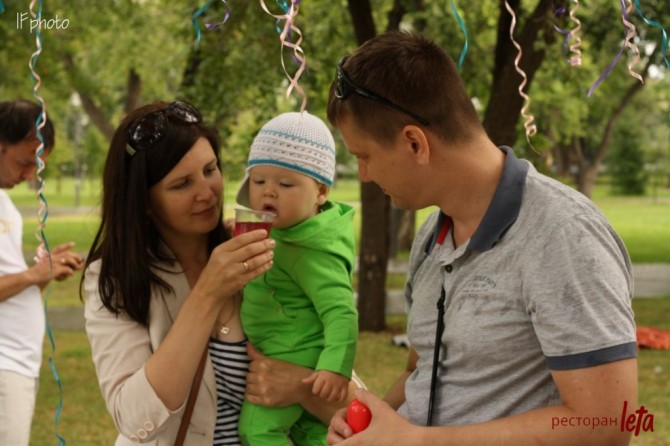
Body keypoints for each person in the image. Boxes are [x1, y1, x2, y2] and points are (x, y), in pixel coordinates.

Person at [325, 31, 637, 446]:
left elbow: (608, 424)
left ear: (415, 143)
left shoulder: (564, 234)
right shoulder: (431, 237)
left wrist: (417, 441)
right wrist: (374, 425)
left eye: (364, 156)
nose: (363, 174)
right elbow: (420, 369)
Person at [81, 100, 352, 446]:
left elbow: (350, 396)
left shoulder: (261, 249)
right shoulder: (116, 278)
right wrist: (207, 294)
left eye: (210, 170)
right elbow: (134, 420)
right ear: (145, 201)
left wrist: (301, 386)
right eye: (182, 184)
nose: (207, 192)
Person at [235, 111, 358, 445]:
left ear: (320, 192)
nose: (269, 193)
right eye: (258, 182)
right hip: (280, 349)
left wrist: (335, 368)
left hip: (296, 357)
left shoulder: (313, 251)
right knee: (312, 432)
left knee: (256, 429)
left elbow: (341, 312)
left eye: (285, 184)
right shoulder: (284, 231)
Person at [0, 99, 84, 446]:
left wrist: (43, 272)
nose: (29, 176)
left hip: (19, 363)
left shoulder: (5, 203)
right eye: (24, 163)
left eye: (36, 167)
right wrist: (34, 275)